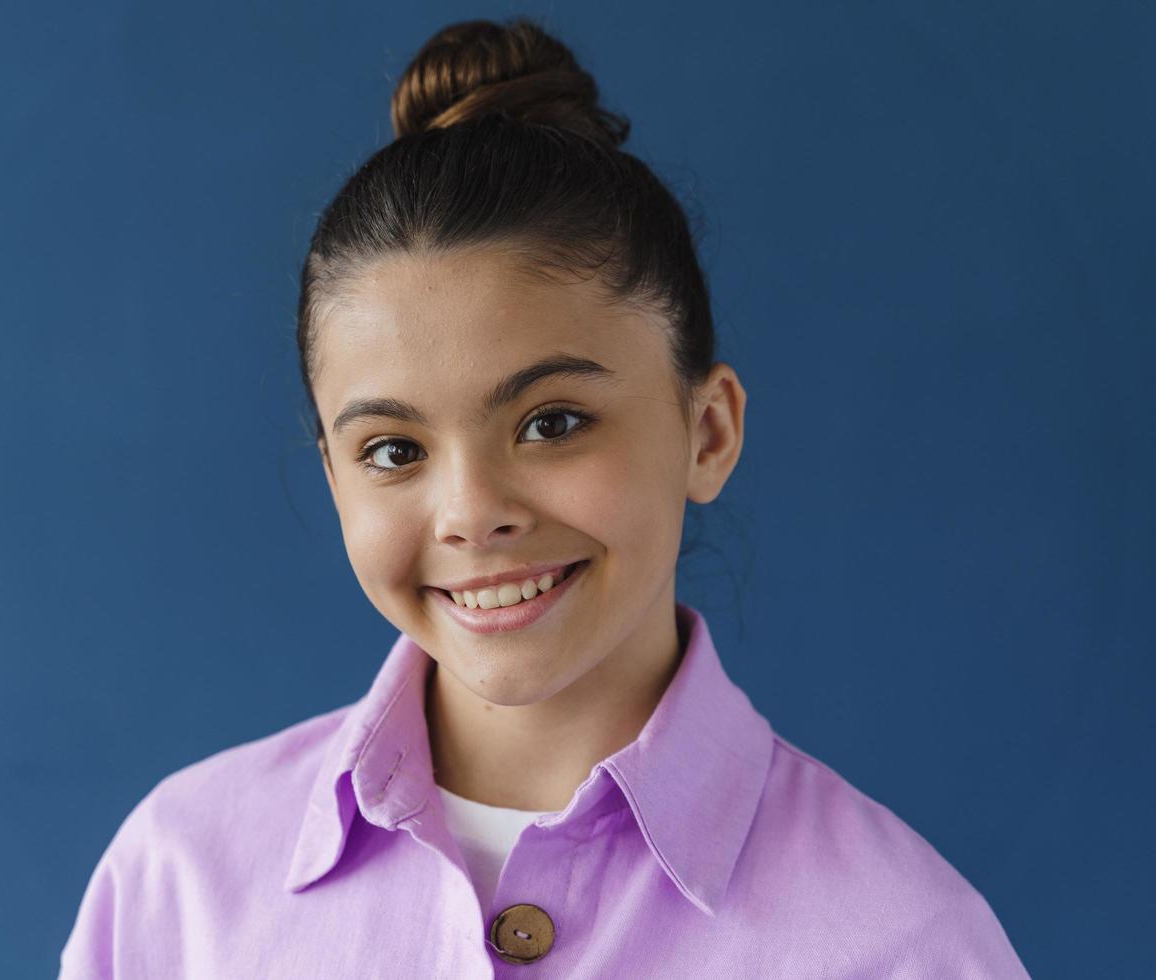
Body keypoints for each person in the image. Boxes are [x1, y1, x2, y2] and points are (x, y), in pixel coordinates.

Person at [59, 17, 1030, 978]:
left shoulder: (905, 943)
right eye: (393, 448)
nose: (472, 510)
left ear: (709, 431)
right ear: (332, 474)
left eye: (551, 421)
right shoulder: (175, 886)